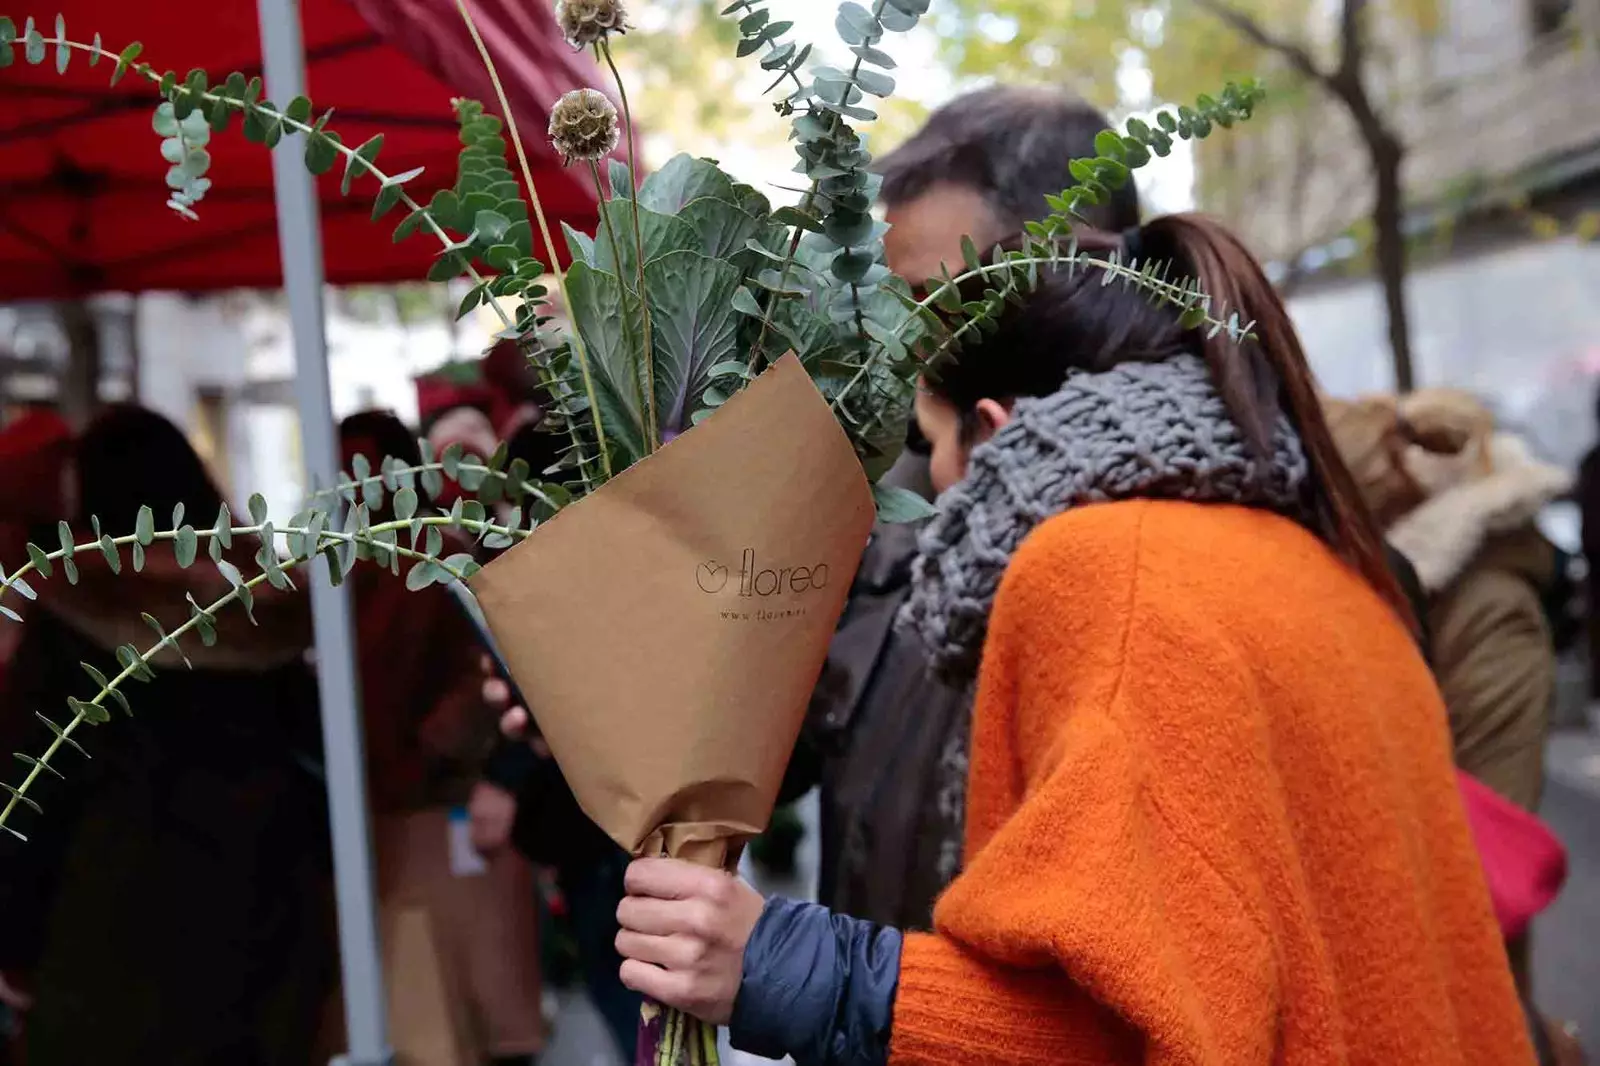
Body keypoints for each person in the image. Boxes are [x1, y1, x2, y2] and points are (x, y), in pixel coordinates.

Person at [611, 215, 1535, 1063]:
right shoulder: (1321, 565)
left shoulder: (1100, 568)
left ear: (994, 428)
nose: (933, 485)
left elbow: (1130, 1028)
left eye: (931, 444)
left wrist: (784, 966)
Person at [796, 84, 1145, 930]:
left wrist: (800, 975)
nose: (903, 346)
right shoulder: (897, 500)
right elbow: (813, 738)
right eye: (891, 305)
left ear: (1070, 279)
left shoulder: (1145, 555)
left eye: (936, 303)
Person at [0, 406, 331, 1066]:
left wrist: (13, 940)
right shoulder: (268, 608)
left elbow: (33, 791)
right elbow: (321, 758)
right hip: (270, 905)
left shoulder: (73, 611)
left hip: (111, 913)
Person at [337, 411, 546, 1066]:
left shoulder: (440, 559)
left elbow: (500, 669)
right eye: (343, 471)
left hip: (450, 815)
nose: (353, 486)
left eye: (365, 469)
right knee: (423, 1015)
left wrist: (448, 738)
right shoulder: (347, 573)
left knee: (473, 1011)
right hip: (388, 819)